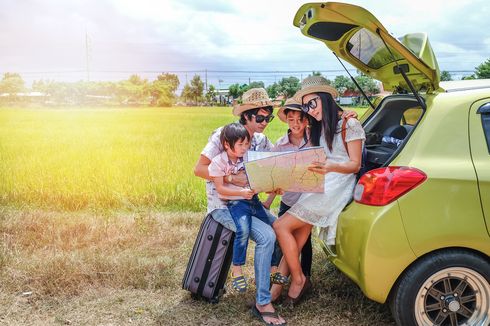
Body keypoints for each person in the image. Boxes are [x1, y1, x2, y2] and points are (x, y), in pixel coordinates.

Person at [271, 76, 365, 307]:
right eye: (306, 106)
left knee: (280, 225)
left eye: (312, 104)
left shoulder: (349, 124)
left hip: (337, 184)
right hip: (318, 183)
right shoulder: (320, 127)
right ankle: (274, 291)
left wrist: (330, 166)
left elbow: (355, 165)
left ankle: (299, 280)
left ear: (325, 98)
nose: (309, 111)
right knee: (298, 236)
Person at [194, 88, 286, 325]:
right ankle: (263, 302)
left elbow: (272, 168)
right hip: (224, 205)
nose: (265, 123)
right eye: (260, 118)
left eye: (269, 118)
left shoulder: (261, 141)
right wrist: (231, 178)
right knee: (266, 236)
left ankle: (271, 279)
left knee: (280, 228)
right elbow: (199, 169)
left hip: (251, 202)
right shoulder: (222, 135)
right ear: (246, 116)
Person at [208, 122, 273, 293]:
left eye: (247, 144)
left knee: (275, 226)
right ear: (227, 144)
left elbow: (258, 177)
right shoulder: (217, 162)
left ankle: (274, 269)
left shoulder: (247, 158)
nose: (245, 148)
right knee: (242, 229)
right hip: (236, 203)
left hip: (253, 201)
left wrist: (271, 187)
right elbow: (221, 189)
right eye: (241, 144)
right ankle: (237, 270)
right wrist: (241, 192)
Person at [262, 98, 313, 286]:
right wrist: (268, 201)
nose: (296, 124)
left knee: (305, 242)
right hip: (289, 200)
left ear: (307, 120)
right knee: (282, 238)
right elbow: (276, 176)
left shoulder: (316, 139)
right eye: (292, 119)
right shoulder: (280, 146)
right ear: (287, 121)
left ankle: (305, 276)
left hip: (309, 200)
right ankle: (276, 275)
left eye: (301, 119)